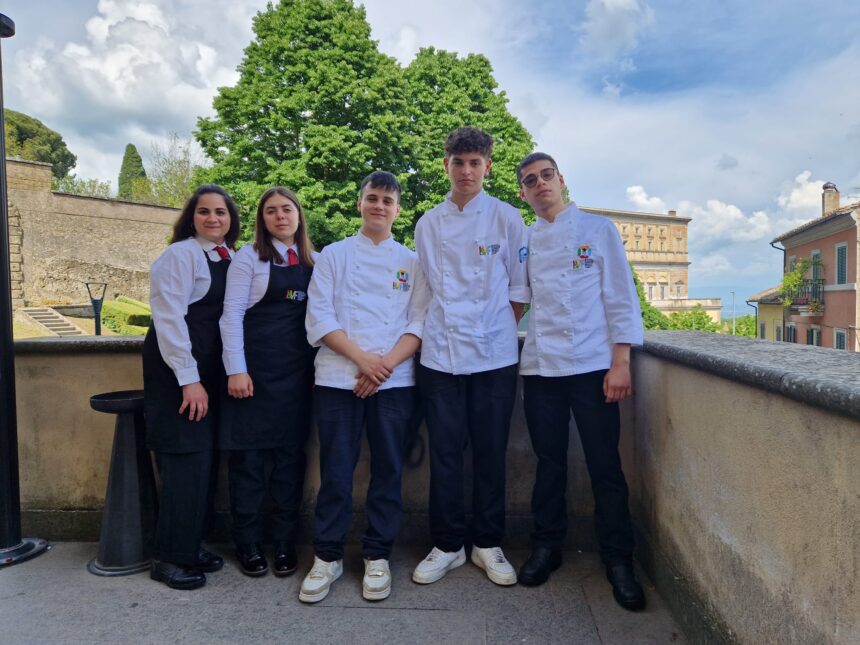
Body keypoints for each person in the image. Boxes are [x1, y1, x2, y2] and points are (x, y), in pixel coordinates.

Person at [515, 152, 646, 610]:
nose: (540, 184)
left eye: (546, 176)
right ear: (523, 192)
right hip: (541, 367)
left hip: (594, 367)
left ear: (561, 180)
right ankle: (547, 547)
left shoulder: (598, 230)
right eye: (531, 181)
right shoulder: (526, 240)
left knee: (604, 466)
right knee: (548, 463)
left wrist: (621, 361)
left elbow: (620, 296)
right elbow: (516, 300)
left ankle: (618, 560)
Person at [300, 171, 430, 603]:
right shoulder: (334, 256)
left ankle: (377, 555)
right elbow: (318, 319)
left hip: (394, 382)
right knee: (336, 470)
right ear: (360, 204)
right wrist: (363, 361)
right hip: (339, 378)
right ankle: (328, 556)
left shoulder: (411, 262)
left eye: (387, 201)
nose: (379, 206)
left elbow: (418, 322)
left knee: (388, 470)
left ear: (397, 210)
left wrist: (383, 366)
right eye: (372, 198)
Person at [411, 126, 530, 587]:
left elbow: (519, 289)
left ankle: (487, 543)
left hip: (495, 355)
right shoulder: (427, 223)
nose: (466, 170)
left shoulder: (506, 219)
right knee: (444, 452)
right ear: (447, 166)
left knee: (490, 451)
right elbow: (425, 291)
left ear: (487, 167)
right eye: (458, 162)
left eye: (474, 162)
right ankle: (446, 545)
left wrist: (492, 328)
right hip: (440, 354)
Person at [144, 184, 240, 590]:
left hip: (208, 373)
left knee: (202, 463)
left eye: (221, 211)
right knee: (184, 461)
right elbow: (169, 320)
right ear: (192, 217)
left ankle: (189, 545)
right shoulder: (180, 255)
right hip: (179, 374)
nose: (213, 218)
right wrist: (189, 380)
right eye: (204, 211)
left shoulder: (227, 256)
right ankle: (168, 558)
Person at [219, 187, 316, 578]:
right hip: (252, 379)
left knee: (290, 465)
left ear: (298, 215)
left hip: (296, 380)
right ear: (263, 219)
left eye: (287, 209)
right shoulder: (250, 259)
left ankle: (284, 543)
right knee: (249, 465)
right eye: (271, 211)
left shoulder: (316, 261)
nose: (280, 216)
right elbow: (231, 316)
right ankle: (248, 543)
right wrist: (236, 370)